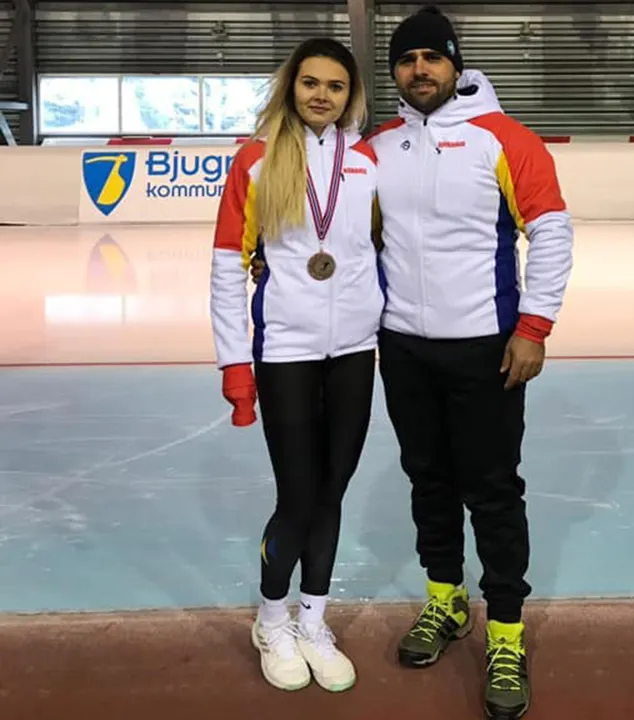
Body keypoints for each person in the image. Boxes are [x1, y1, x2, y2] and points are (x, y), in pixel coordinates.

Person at [251, 7, 573, 717]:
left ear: (456, 64)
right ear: (393, 72)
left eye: (432, 57)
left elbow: (551, 232)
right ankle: (444, 600)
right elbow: (344, 232)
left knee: (492, 489)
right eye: (406, 59)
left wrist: (533, 327)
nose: (420, 69)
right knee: (428, 480)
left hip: (487, 346)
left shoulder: (506, 139)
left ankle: (506, 633)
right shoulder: (378, 148)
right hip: (401, 346)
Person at [209, 36, 382, 695]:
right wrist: (235, 364)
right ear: (291, 87)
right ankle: (272, 618)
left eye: (335, 86)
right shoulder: (255, 161)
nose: (321, 95)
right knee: (299, 495)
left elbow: (392, 246)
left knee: (332, 491)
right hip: (285, 350)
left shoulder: (368, 160)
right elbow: (227, 267)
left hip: (355, 351)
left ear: (350, 95)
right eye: (310, 82)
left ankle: (313, 620)